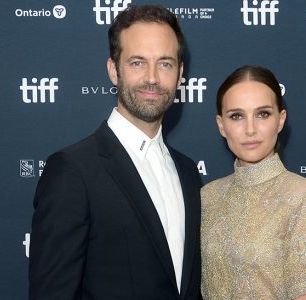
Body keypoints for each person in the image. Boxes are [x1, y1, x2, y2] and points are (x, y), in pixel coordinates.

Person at [29, 5, 201, 300]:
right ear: (113, 69)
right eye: (137, 63)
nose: (152, 78)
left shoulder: (188, 172)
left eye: (165, 63)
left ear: (180, 73)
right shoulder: (73, 171)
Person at [201, 66, 306, 300]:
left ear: (280, 120)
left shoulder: (304, 197)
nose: (250, 129)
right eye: (237, 116)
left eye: (263, 114)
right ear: (221, 126)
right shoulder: (207, 196)